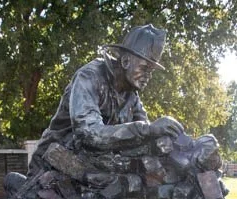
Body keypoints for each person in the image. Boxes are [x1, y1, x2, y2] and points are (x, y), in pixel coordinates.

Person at [28, 24, 184, 175]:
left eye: (151, 71)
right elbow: (88, 134)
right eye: (144, 68)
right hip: (50, 171)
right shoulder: (89, 77)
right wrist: (147, 129)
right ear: (125, 61)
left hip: (91, 169)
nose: (148, 76)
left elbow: (143, 138)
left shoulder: (131, 96)